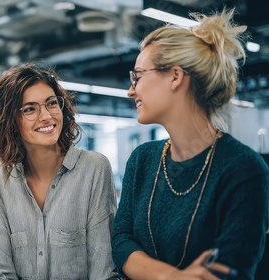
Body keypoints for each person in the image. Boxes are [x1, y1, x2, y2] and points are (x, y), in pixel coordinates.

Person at [111, 8, 269, 280]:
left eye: (138, 76)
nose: (131, 90)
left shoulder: (243, 169)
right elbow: (122, 241)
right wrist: (172, 276)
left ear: (175, 76)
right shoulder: (142, 160)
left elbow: (228, 272)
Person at [0, 63, 120, 279]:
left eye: (51, 103)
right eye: (29, 109)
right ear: (11, 121)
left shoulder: (94, 169)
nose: (46, 116)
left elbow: (104, 270)